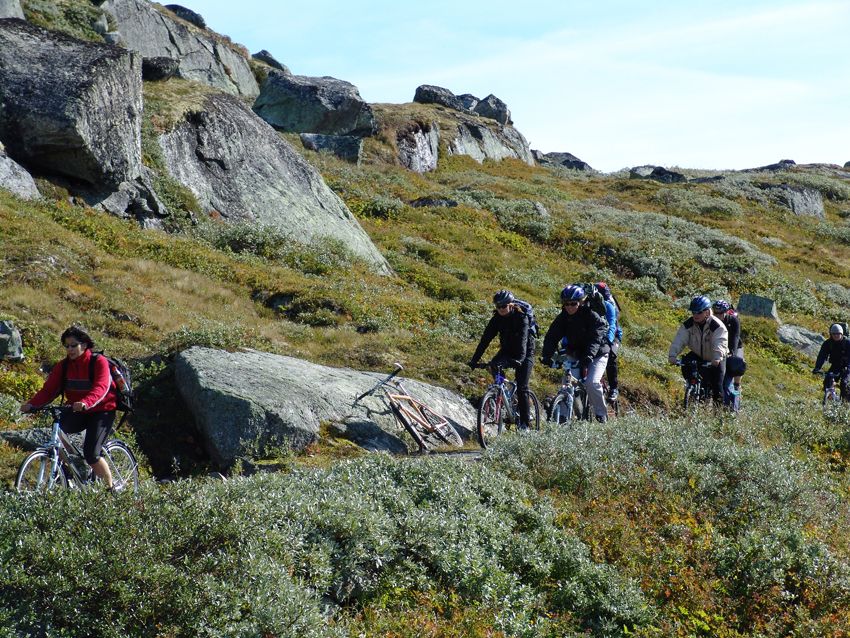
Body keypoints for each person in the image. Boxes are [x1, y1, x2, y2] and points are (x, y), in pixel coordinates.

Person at [20, 325, 119, 489]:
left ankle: (110, 490)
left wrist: (86, 402)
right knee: (57, 438)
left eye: (74, 345)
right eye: (67, 346)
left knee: (91, 454)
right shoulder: (63, 366)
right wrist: (32, 404)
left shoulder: (98, 362)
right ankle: (72, 473)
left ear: (85, 345)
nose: (70, 349)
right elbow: (49, 390)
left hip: (102, 411)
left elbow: (101, 387)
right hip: (76, 409)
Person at [540, 284, 610, 421]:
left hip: (598, 353)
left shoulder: (591, 315)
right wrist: (547, 355)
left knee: (592, 382)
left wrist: (590, 354)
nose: (570, 307)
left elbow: (597, 337)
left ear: (581, 302)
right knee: (567, 383)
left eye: (573, 303)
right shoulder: (563, 317)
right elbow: (551, 336)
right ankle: (564, 418)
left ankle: (601, 415)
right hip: (576, 353)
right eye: (566, 304)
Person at [468, 290, 536, 428]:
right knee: (494, 365)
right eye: (498, 307)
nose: (501, 309)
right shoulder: (497, 319)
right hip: (507, 350)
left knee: (522, 386)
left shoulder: (521, 317)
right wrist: (474, 360)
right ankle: (503, 393)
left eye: (503, 306)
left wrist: (520, 360)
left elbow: (523, 340)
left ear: (511, 305)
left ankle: (525, 423)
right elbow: (485, 340)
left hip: (525, 352)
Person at [668, 295, 728, 405]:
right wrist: (672, 355)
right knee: (686, 364)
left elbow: (720, 341)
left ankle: (719, 416)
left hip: (715, 358)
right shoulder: (688, 325)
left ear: (707, 312)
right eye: (693, 312)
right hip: (697, 355)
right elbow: (679, 339)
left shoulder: (716, 325)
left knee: (717, 388)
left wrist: (717, 357)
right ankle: (692, 390)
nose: (695, 315)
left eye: (699, 312)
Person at [712, 299, 744, 411]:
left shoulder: (733, 320)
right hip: (720, 348)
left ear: (726, 312)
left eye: (720, 313)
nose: (717, 315)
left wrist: (732, 353)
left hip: (735, 347)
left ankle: (736, 386)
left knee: (736, 367)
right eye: (715, 312)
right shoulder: (712, 321)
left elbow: (735, 337)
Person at [596, 282, 622, 401]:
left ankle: (613, 388)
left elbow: (613, 326)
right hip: (598, 335)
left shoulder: (610, 305)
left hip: (614, 335)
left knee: (611, 356)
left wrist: (609, 340)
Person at [812, 323, 850, 402]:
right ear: (831, 334)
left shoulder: (847, 343)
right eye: (834, 334)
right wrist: (817, 368)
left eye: (838, 334)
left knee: (844, 383)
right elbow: (822, 356)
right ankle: (830, 399)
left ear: (842, 334)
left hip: (847, 366)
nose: (836, 335)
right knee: (828, 380)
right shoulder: (828, 343)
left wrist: (848, 367)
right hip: (836, 366)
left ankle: (845, 402)